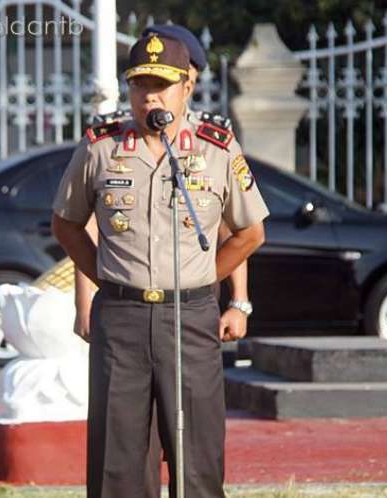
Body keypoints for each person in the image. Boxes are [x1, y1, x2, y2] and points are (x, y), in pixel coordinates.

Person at [51, 31, 269, 498]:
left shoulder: (216, 148)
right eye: (139, 85)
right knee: (118, 462)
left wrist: (199, 279)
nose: (149, 95)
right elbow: (67, 225)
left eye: (161, 84)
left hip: (189, 319)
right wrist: (104, 277)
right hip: (122, 319)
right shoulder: (100, 147)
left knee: (197, 458)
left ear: (186, 88)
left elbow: (250, 232)